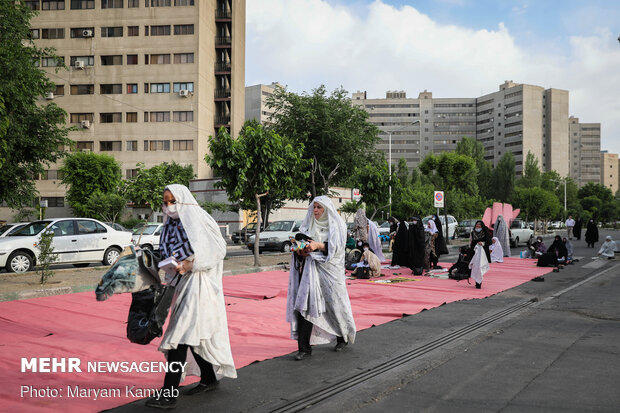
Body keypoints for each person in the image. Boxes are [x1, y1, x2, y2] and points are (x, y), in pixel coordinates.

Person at [147, 184, 236, 409]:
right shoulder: (169, 226)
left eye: (172, 201)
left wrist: (191, 264)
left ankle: (168, 393)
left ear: (183, 199)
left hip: (200, 285)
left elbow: (218, 250)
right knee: (191, 335)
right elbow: (167, 252)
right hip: (180, 284)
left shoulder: (200, 219)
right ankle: (208, 378)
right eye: (165, 202)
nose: (168, 207)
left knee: (179, 337)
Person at [286, 196, 356, 360]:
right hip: (310, 272)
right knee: (306, 306)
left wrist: (318, 245)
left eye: (319, 208)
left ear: (327, 210)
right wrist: (300, 251)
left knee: (335, 305)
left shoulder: (337, 226)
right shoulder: (308, 224)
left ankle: (342, 337)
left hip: (330, 272)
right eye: (314, 207)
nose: (315, 210)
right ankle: (304, 348)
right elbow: (300, 243)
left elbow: (337, 250)